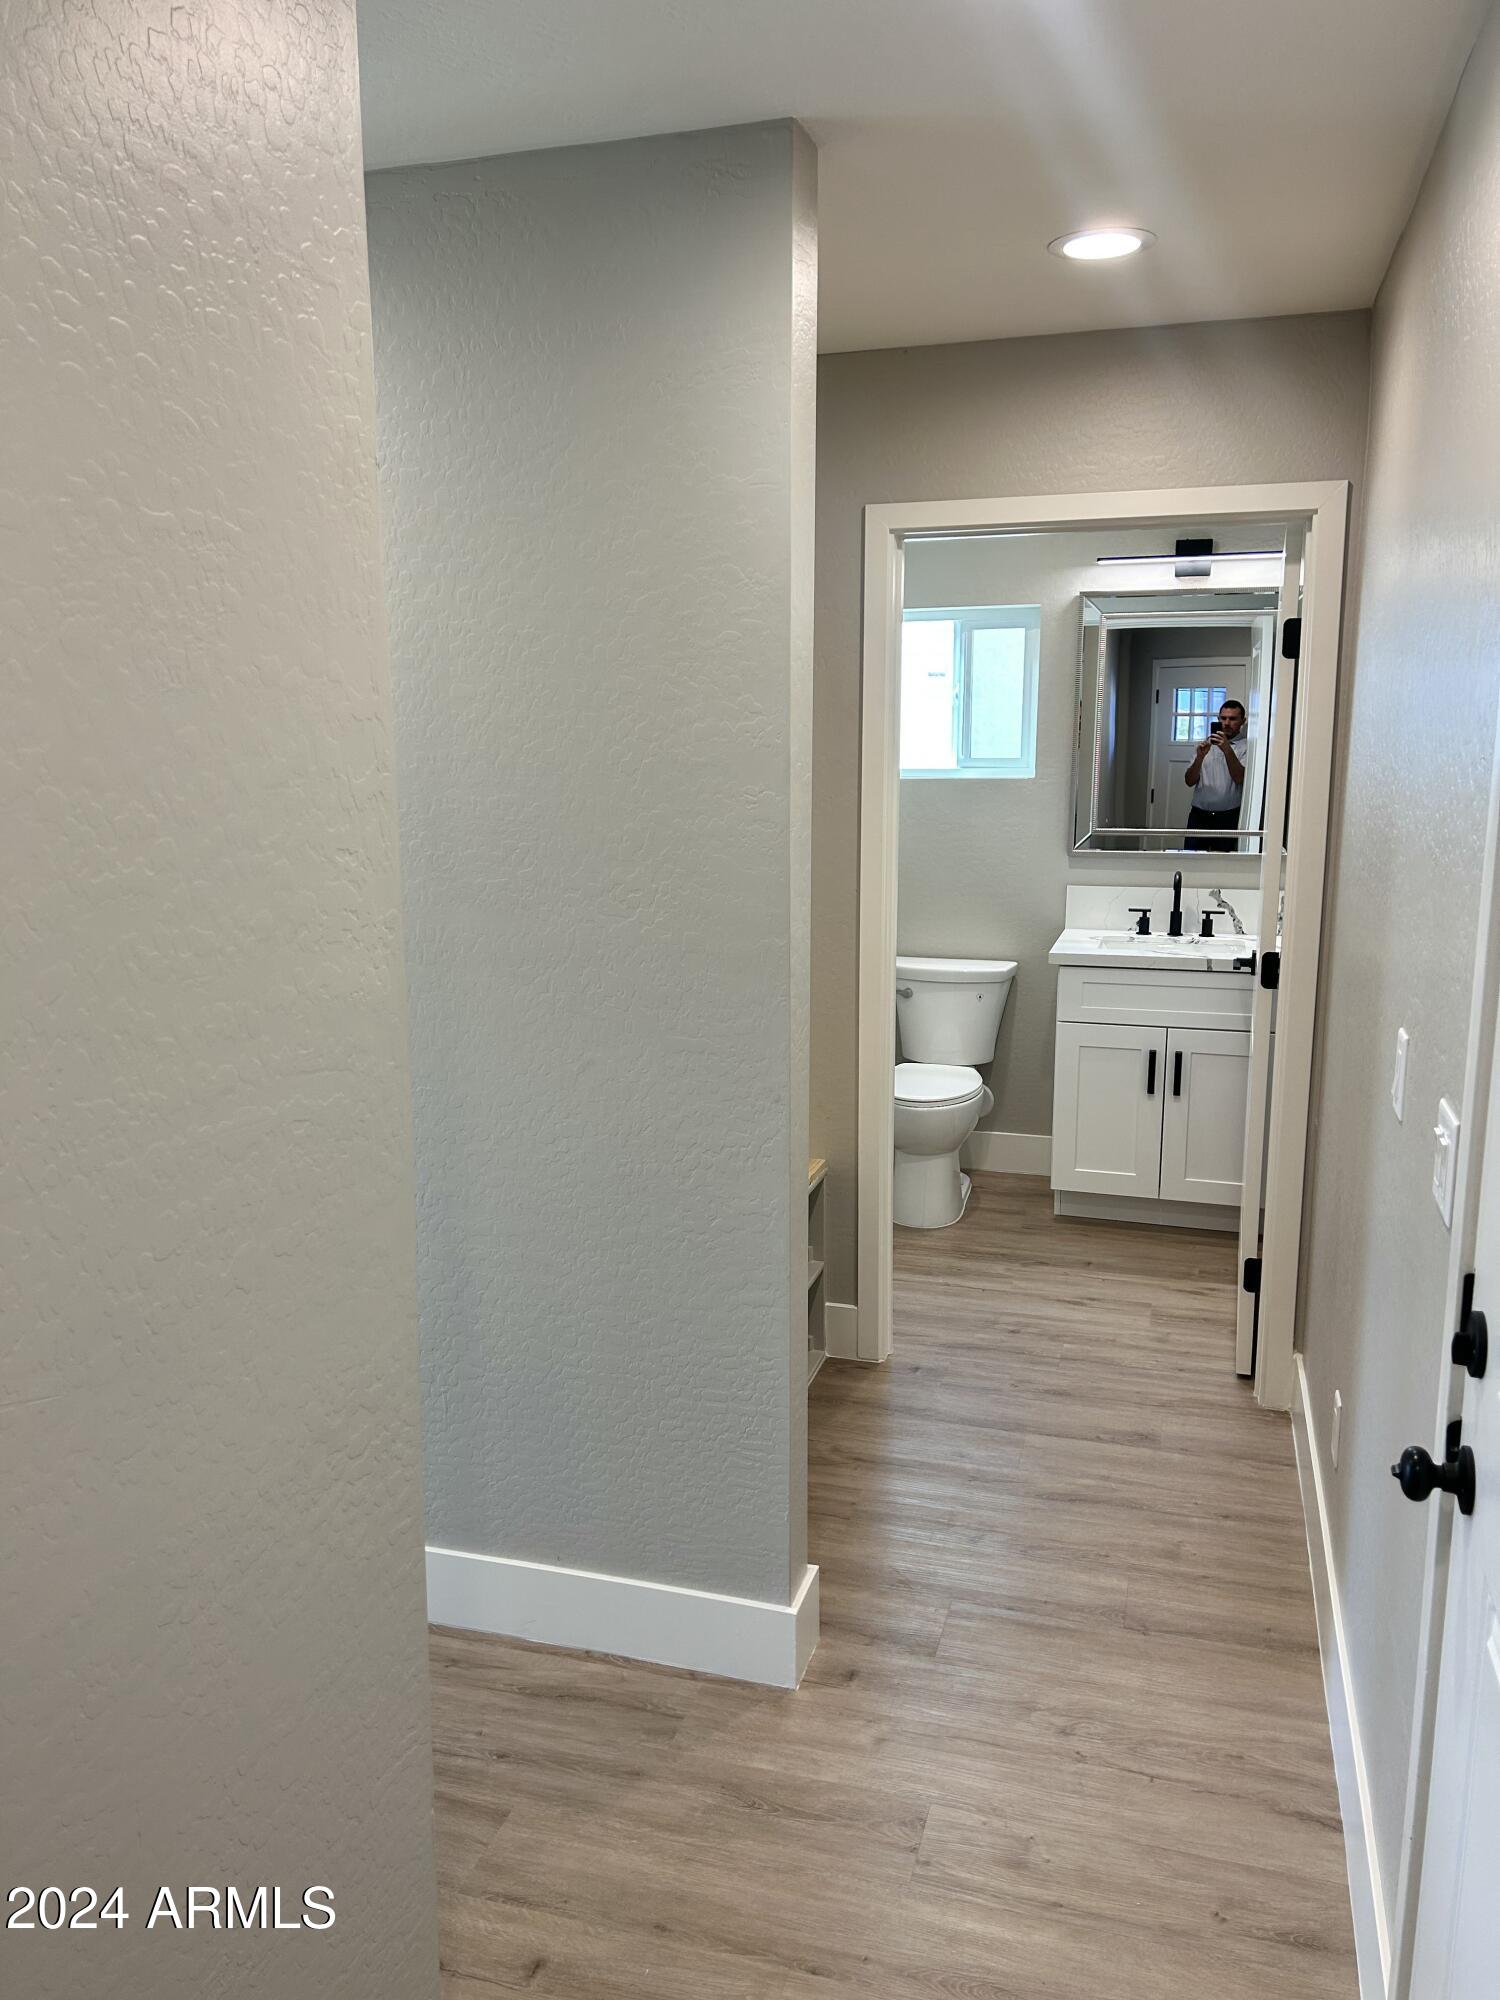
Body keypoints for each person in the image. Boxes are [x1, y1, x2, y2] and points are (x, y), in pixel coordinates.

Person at [1183, 699, 1248, 851]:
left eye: (1232, 719)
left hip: (1229, 817)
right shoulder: (1204, 745)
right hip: (1199, 816)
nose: (1226, 723)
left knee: (1223, 861)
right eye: (1223, 718)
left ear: (1243, 721)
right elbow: (1189, 781)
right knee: (1191, 858)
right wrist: (1200, 757)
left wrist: (1227, 749)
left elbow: (1239, 778)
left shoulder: (1246, 747)